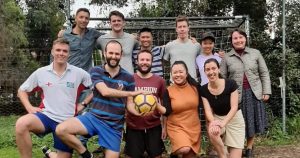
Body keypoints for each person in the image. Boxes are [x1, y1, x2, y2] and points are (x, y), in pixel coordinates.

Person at [55, 40, 143, 158]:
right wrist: (132, 93)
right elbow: (104, 91)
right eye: (110, 53)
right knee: (61, 129)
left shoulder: (128, 77)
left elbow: (130, 104)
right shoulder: (96, 71)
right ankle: (86, 154)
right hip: (94, 118)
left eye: (117, 54)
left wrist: (138, 112)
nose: (113, 56)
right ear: (104, 53)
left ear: (121, 55)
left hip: (114, 126)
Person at [15, 38, 92, 158]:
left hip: (66, 122)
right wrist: (29, 107)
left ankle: (50, 154)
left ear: (69, 53)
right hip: (46, 116)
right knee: (21, 124)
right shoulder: (41, 72)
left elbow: (97, 88)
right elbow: (21, 90)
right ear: (52, 52)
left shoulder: (79, 73)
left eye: (65, 51)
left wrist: (84, 103)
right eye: (58, 50)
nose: (61, 53)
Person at [220, 29, 272, 157]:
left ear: (245, 38)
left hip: (254, 93)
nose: (238, 40)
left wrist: (266, 91)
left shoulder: (255, 53)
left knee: (252, 121)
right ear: (231, 41)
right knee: (236, 123)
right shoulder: (226, 57)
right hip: (235, 95)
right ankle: (237, 147)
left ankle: (249, 147)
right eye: (235, 38)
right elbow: (222, 77)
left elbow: (264, 73)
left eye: (240, 37)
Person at [200, 58, 245, 158]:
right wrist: (214, 122)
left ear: (218, 69)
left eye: (213, 68)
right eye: (207, 69)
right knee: (212, 131)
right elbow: (208, 111)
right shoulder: (203, 89)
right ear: (204, 72)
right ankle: (223, 155)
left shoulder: (231, 84)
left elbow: (234, 107)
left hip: (234, 119)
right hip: (217, 118)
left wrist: (222, 124)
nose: (211, 72)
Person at [125, 49, 166, 158]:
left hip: (154, 126)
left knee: (157, 155)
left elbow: (162, 103)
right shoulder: (129, 79)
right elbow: (127, 103)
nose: (144, 62)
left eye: (148, 60)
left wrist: (164, 126)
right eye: (142, 59)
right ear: (137, 61)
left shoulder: (160, 81)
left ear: (151, 62)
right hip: (133, 126)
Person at [156, 61, 201, 157]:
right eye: (175, 72)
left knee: (189, 154)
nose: (178, 75)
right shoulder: (168, 91)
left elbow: (206, 103)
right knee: (184, 149)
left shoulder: (195, 87)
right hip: (176, 126)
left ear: (186, 73)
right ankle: (173, 154)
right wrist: (164, 127)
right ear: (171, 74)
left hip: (193, 127)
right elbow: (166, 112)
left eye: (181, 72)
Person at [59, 8, 104, 72]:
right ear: (75, 18)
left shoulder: (92, 33)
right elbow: (56, 54)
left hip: (86, 75)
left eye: (86, 18)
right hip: (68, 74)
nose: (84, 20)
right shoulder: (65, 34)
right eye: (81, 17)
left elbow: (108, 37)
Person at [163, 15, 201, 82]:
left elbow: (205, 57)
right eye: (180, 27)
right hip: (175, 84)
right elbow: (164, 62)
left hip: (192, 83)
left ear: (188, 28)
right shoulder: (169, 46)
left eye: (184, 26)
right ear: (176, 29)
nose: (182, 29)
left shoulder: (196, 45)